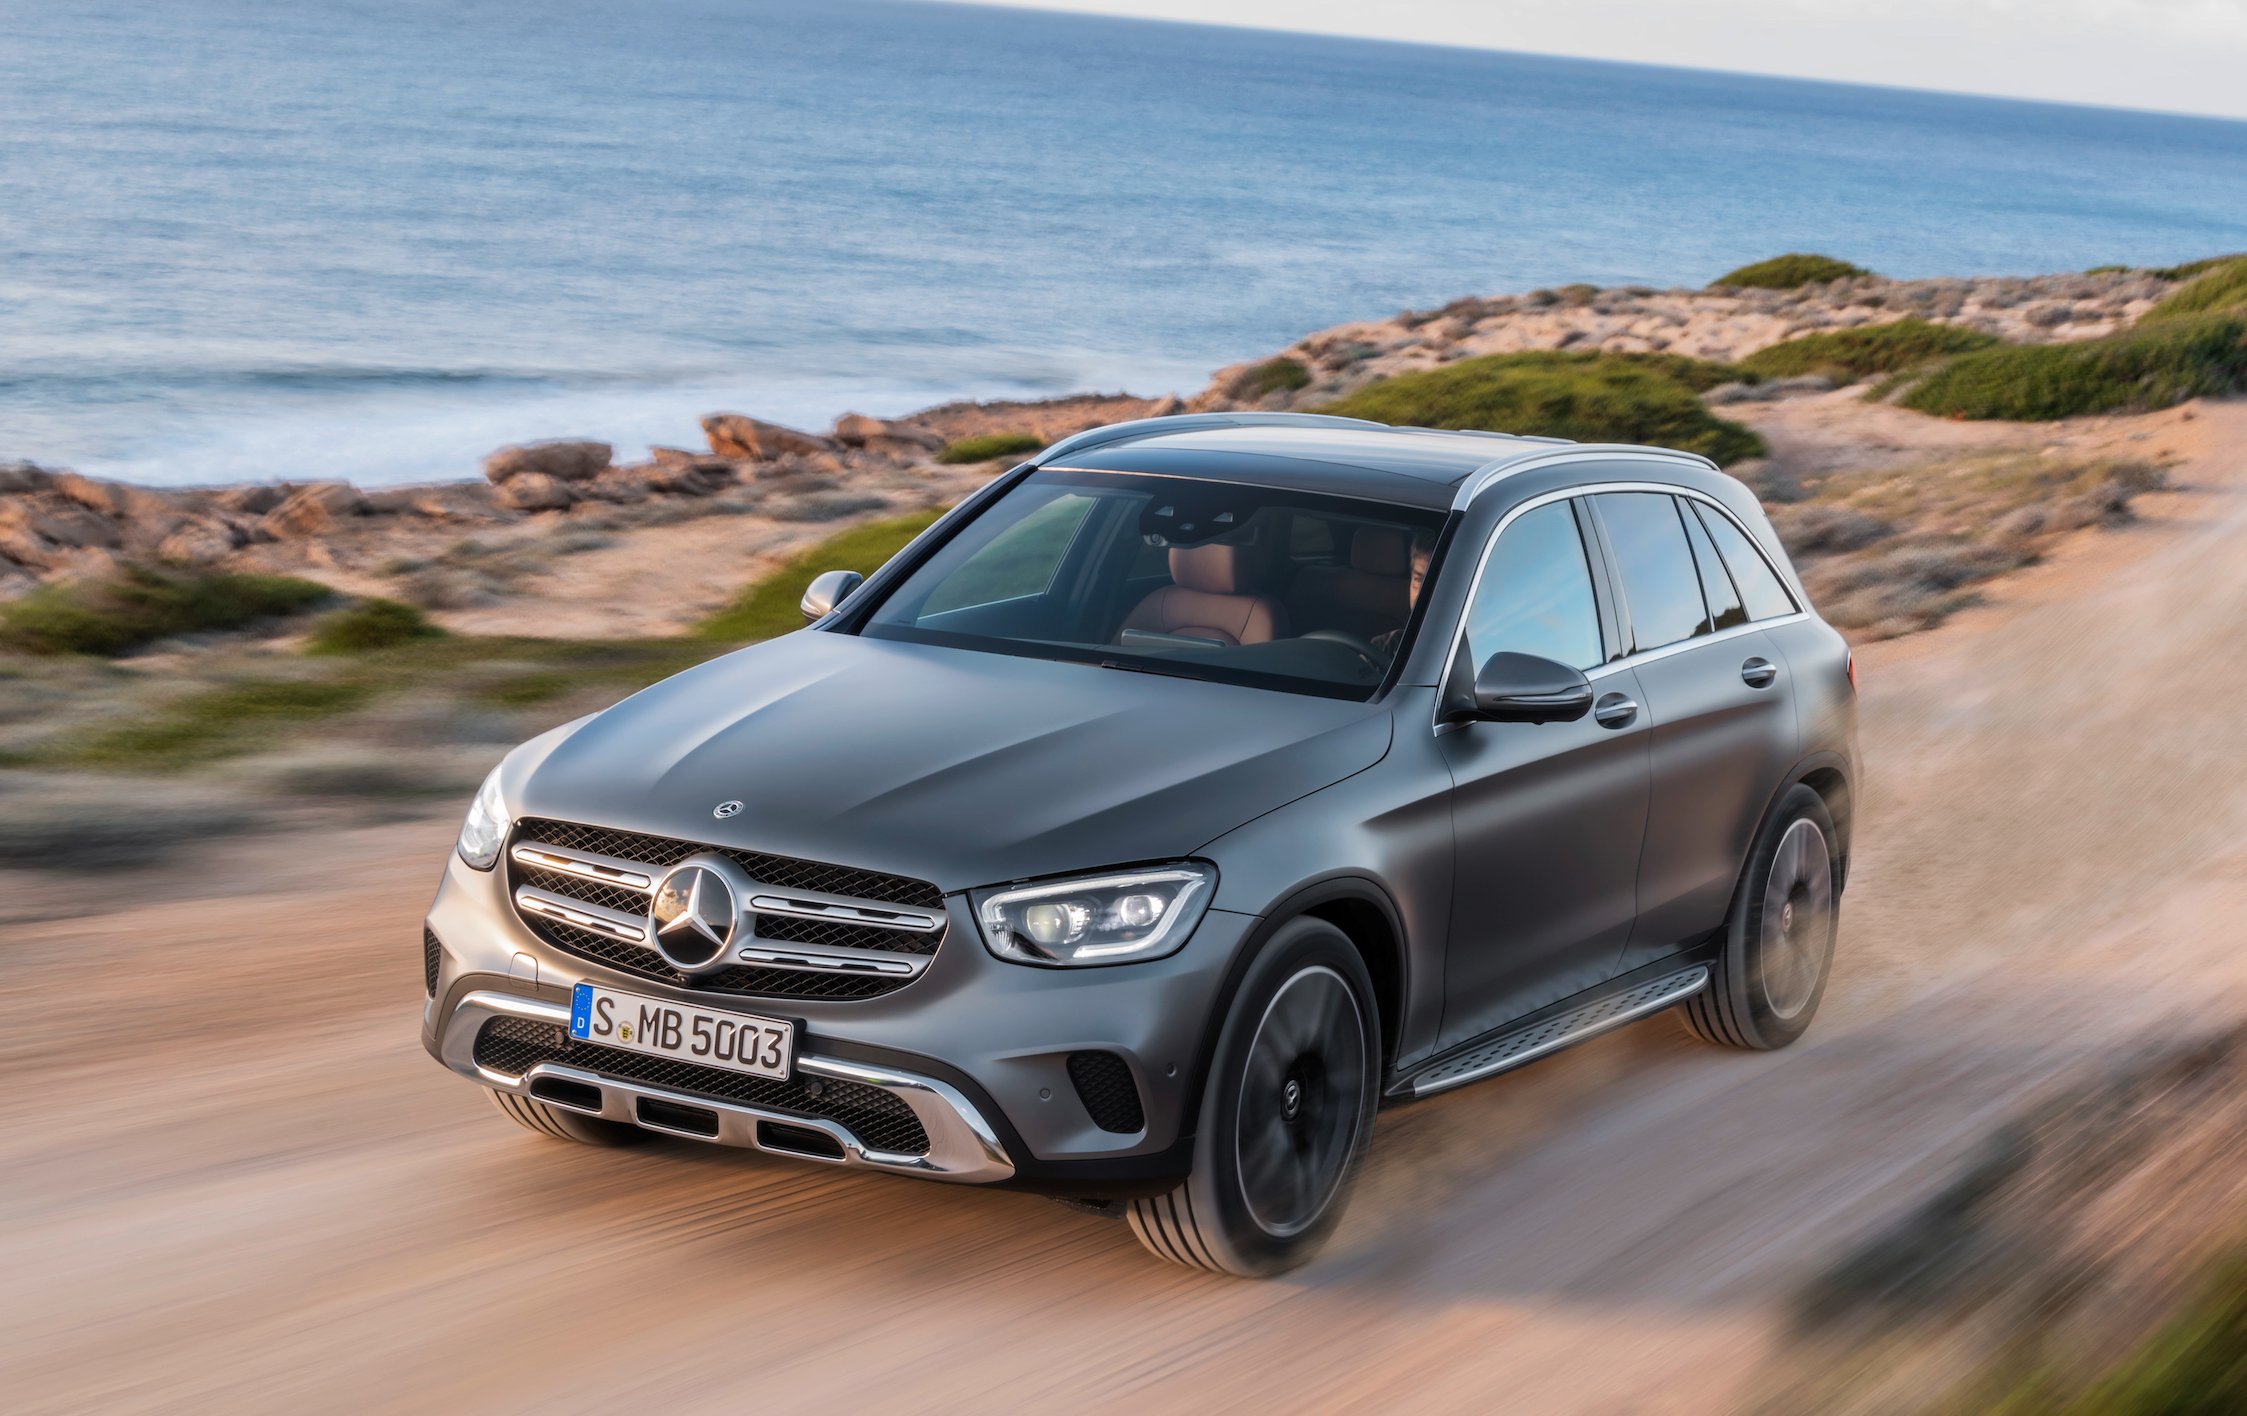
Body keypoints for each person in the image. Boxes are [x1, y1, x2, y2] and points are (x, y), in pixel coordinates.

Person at [1371, 530, 1435, 660]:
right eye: (1419, 580)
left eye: (1438, 583)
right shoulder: (1385, 646)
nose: (1423, 594)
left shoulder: (1461, 654)